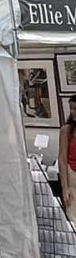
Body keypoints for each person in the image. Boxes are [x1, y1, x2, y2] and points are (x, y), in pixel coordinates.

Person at [57, 95, 76, 223]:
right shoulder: (66, 131)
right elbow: (62, 160)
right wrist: (65, 188)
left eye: (75, 108)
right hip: (72, 175)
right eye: (71, 108)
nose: (73, 112)